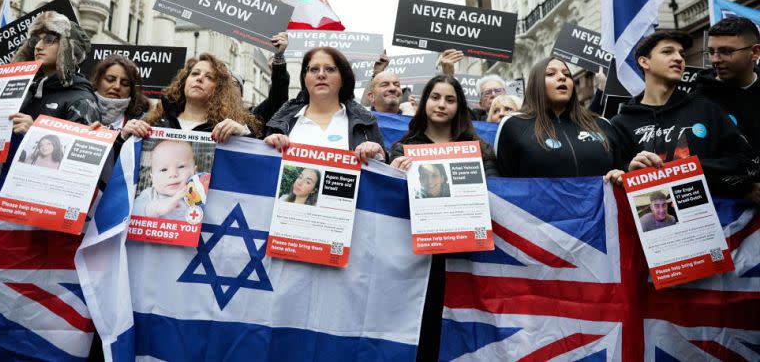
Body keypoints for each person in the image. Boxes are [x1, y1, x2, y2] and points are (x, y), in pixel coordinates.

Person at [387, 74, 496, 362]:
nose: (441, 105)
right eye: (435, 97)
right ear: (424, 103)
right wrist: (394, 173)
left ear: (459, 106)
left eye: (450, 99)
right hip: (421, 260)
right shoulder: (402, 148)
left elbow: (500, 193)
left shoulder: (480, 149)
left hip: (467, 257)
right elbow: (390, 205)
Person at [611, 31, 756, 196]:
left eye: (682, 54)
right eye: (667, 52)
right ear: (644, 62)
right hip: (660, 215)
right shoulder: (621, 123)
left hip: (716, 218)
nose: (679, 58)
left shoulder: (706, 108)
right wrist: (629, 173)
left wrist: (689, 169)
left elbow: (747, 163)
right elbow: (616, 178)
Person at [494, 57, 622, 179]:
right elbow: (505, 188)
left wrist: (623, 173)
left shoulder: (601, 124)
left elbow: (622, 171)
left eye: (567, 75)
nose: (562, 77)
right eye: (550, 74)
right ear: (535, 83)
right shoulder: (514, 125)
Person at [264, 47, 386, 163]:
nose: (321, 74)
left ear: (343, 78)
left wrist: (379, 155)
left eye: (330, 69)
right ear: (304, 78)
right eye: (314, 69)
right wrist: (266, 148)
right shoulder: (280, 123)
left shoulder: (366, 124)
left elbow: (385, 175)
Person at [122, 53, 260, 143]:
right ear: (184, 82)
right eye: (195, 74)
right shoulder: (154, 122)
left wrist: (244, 136)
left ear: (218, 90)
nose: (199, 78)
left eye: (209, 77)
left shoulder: (226, 131)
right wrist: (125, 137)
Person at [693, 18, 760, 204]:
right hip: (727, 216)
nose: (715, 59)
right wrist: (742, 188)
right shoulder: (697, 101)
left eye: (726, 51)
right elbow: (694, 164)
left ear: (754, 52)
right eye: (711, 52)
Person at [9, 11, 100, 132]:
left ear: (67, 48)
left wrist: (34, 132)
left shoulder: (82, 99)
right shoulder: (21, 92)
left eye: (49, 40)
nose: (38, 46)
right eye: (35, 40)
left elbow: (81, 149)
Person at [229, 32, 290, 136]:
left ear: (241, 94)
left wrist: (278, 58)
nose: (227, 87)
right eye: (222, 83)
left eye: (233, 83)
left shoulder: (252, 117)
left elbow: (277, 98)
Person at [132, 139, 207, 220]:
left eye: (181, 166)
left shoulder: (199, 192)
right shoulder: (149, 194)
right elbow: (133, 211)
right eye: (164, 170)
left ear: (194, 171)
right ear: (153, 179)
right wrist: (155, 209)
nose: (173, 174)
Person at [90, 55, 150, 130]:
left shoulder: (144, 122)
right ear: (97, 81)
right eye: (110, 79)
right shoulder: (80, 109)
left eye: (125, 83)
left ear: (131, 90)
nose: (117, 86)